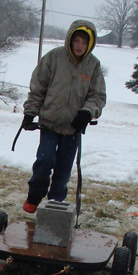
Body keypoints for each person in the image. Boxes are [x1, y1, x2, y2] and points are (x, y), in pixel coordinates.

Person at [20, 19, 106, 213]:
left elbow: (97, 96)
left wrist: (87, 112)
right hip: (50, 123)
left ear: (90, 44)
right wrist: (30, 112)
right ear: (70, 39)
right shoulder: (54, 58)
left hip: (73, 128)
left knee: (64, 169)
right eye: (77, 40)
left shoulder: (93, 66)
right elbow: (38, 88)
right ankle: (34, 196)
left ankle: (55, 205)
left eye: (84, 42)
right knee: (45, 160)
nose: (80, 46)